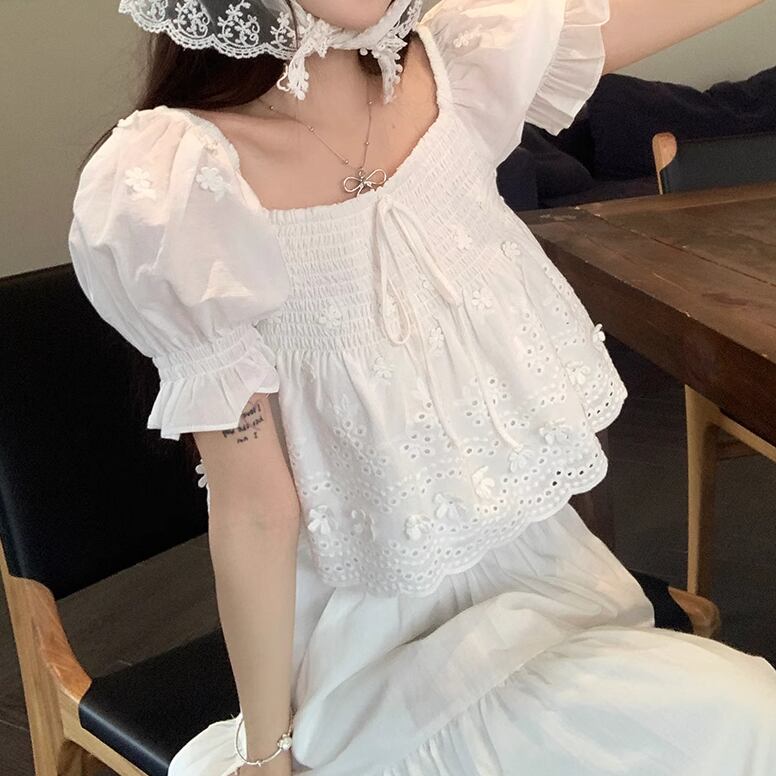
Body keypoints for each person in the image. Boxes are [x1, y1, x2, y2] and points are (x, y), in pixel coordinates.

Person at [67, 1, 776, 774]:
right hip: (371, 657)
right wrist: (267, 751)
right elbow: (256, 509)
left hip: (549, 586)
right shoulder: (181, 186)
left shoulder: (462, 64)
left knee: (745, 720)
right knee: (747, 718)